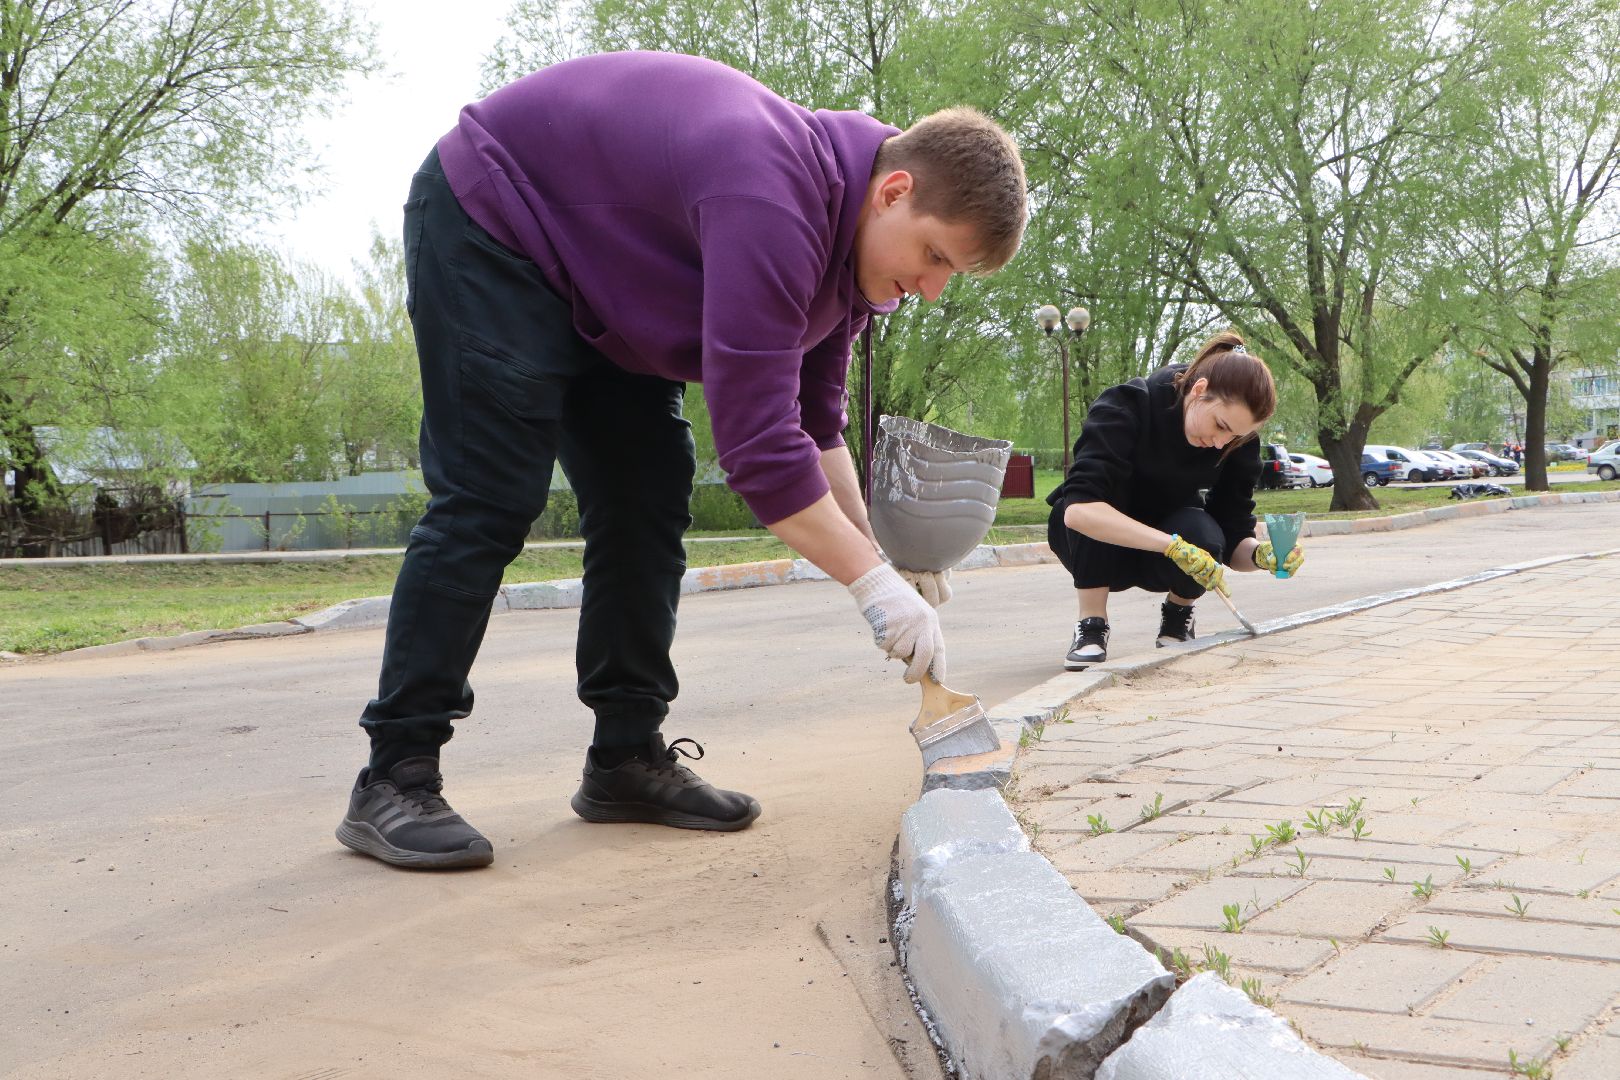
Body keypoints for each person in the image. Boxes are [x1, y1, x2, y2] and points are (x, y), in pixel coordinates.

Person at [333, 51, 1028, 870]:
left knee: (647, 494)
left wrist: (887, 560)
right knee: (491, 493)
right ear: (896, 191)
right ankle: (395, 773)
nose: (933, 288)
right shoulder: (773, 197)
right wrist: (869, 587)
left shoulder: (851, 259)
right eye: (937, 257)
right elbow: (761, 451)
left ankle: (624, 757)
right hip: (497, 223)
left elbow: (814, 424)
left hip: (602, 282)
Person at [1044, 332, 1304, 670]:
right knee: (1099, 504)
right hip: (1094, 547)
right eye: (1220, 425)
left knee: (1205, 533)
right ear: (1199, 391)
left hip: (1167, 548)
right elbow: (1078, 511)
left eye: (1234, 436)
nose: (1220, 442)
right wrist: (1172, 546)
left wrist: (1262, 555)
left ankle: (1177, 616)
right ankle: (1092, 624)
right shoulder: (1127, 405)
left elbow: (1233, 532)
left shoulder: (1233, 444)